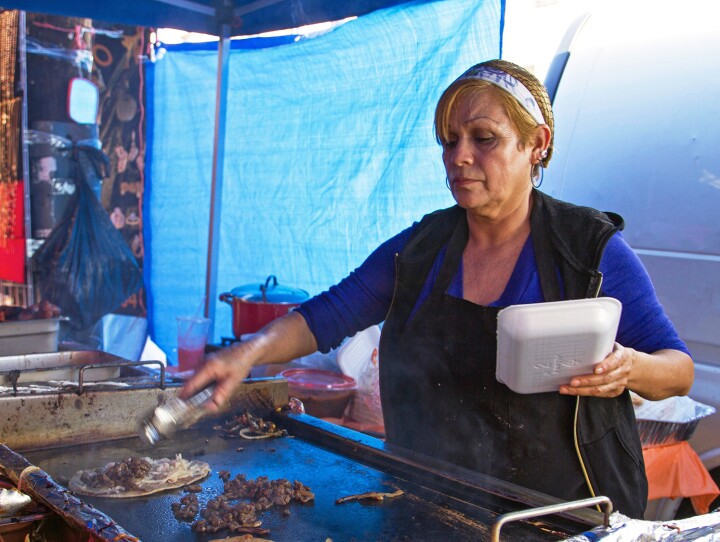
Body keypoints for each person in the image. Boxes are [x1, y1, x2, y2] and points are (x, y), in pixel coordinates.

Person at [183, 59, 694, 518]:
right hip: (433, 502)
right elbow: (329, 314)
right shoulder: (423, 248)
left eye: (483, 138)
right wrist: (248, 353)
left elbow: (678, 370)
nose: (460, 156)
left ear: (536, 144)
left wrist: (631, 368)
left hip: (563, 516)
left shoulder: (588, 249)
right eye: (450, 141)